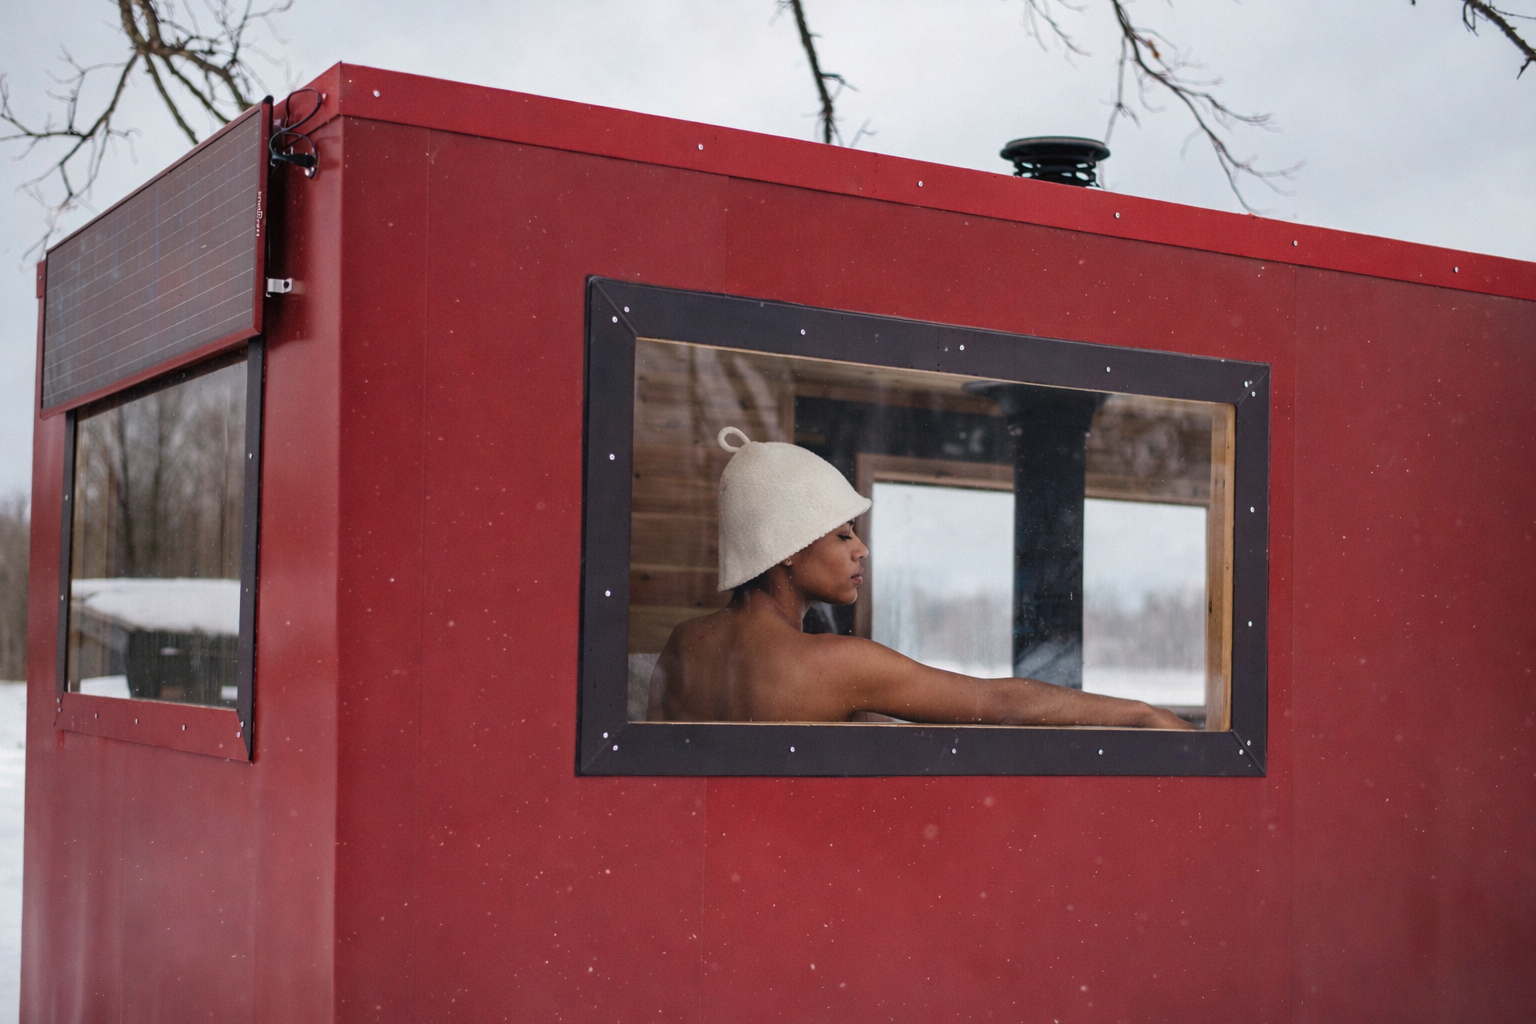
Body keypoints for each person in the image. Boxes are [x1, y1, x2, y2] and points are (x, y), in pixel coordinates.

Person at [647, 427, 1194, 730]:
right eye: (842, 535)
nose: (862, 549)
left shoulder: (683, 646)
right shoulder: (836, 664)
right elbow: (997, 704)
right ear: (786, 550)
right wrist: (1140, 714)